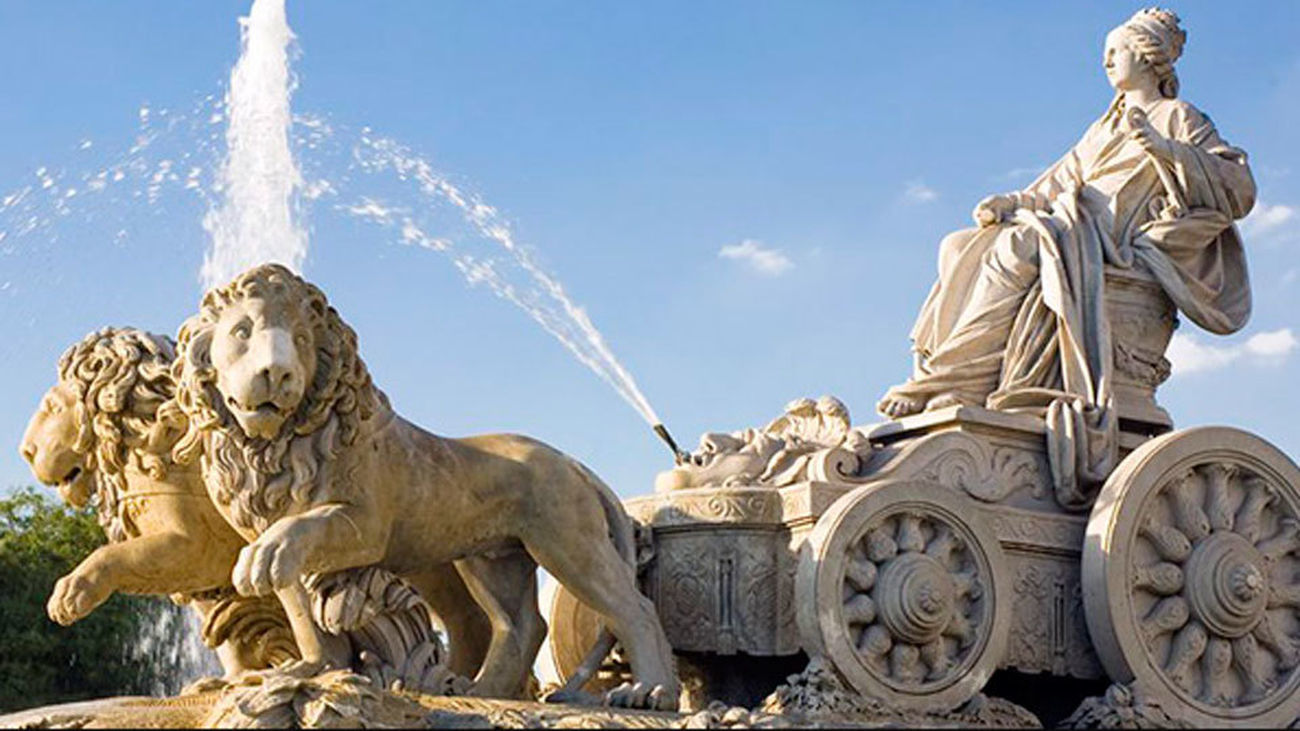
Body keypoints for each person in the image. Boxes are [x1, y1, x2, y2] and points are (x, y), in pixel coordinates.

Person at [876, 8, 1255, 506]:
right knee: (958, 244)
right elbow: (1058, 184)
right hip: (1073, 227)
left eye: (1115, 50)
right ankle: (956, 385)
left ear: (1147, 56)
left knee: (1019, 246)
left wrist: (1167, 151)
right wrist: (1011, 202)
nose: (1106, 60)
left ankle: (953, 379)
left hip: (1109, 244)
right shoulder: (1100, 129)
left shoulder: (1178, 118)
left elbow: (1240, 188)